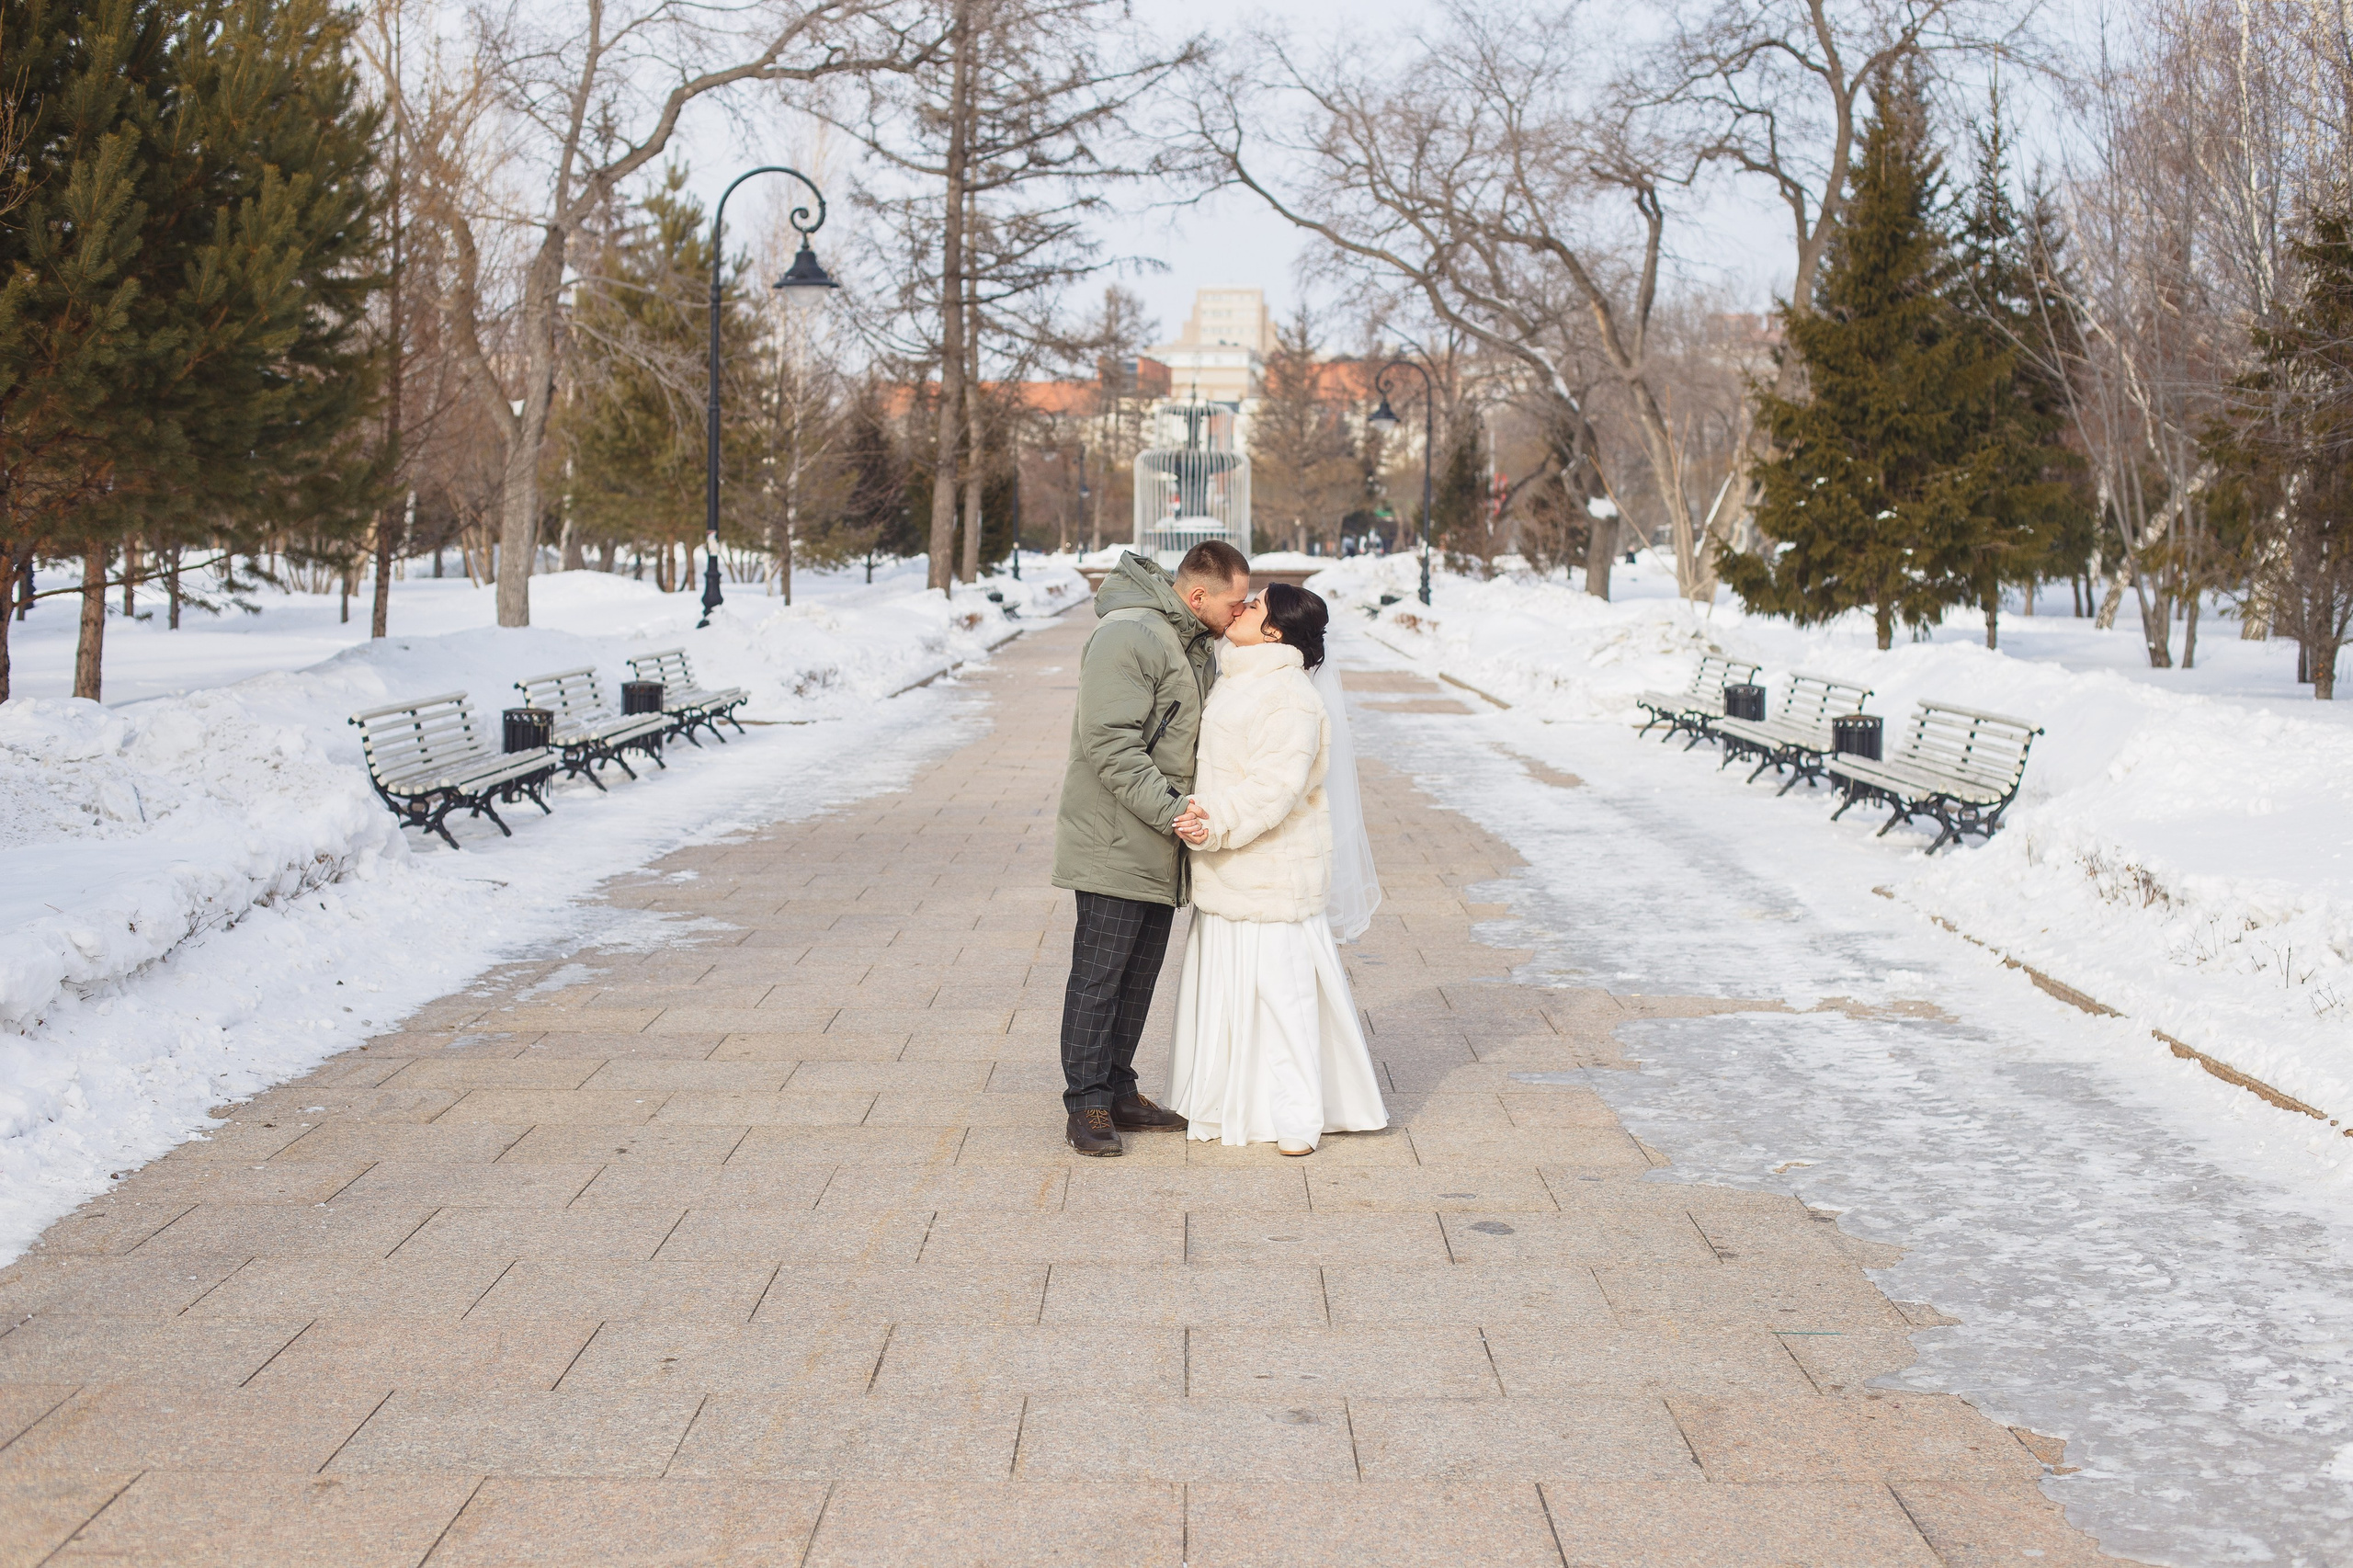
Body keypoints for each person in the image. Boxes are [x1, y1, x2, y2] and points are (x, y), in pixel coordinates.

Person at [1165, 584, 1387, 1154]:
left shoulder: (1287, 694)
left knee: (1282, 1000)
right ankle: (1223, 1103)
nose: (1240, 607)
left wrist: (1214, 823)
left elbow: (1276, 788)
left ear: (1275, 631)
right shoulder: (1238, 678)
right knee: (1227, 1000)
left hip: (1271, 872)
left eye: (1256, 604)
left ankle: (1297, 1117)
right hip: (1228, 869)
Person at [1051, 540, 1254, 1156]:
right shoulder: (1131, 634)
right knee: (1101, 974)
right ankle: (1085, 1103)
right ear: (1197, 597)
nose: (1240, 613)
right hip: (1120, 834)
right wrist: (1173, 810)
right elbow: (1109, 744)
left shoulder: (1190, 639)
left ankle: (1117, 1086)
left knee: (1139, 973)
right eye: (1235, 602)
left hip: (1162, 838)